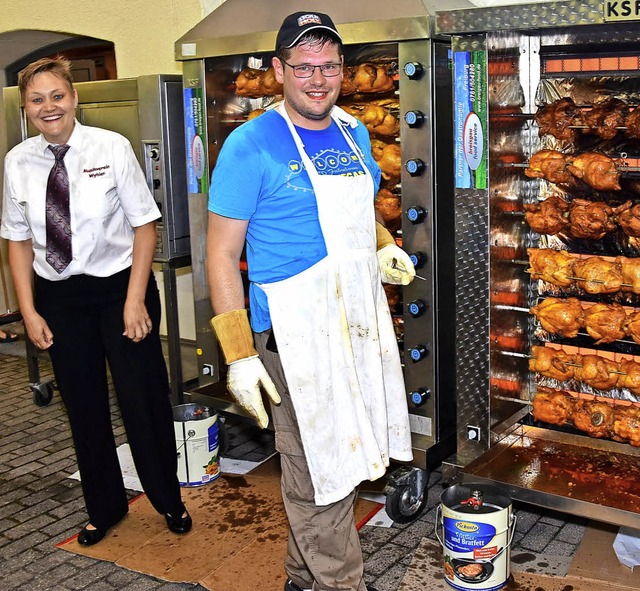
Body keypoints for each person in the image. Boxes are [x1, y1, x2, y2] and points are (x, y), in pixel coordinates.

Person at [207, 12, 415, 591]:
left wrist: (380, 245)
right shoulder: (249, 147)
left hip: (354, 322)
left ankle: (302, 576)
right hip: (293, 335)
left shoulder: (354, 132)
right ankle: (338, 583)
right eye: (303, 67)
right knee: (320, 467)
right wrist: (239, 355)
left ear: (343, 71)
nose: (316, 79)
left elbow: (360, 209)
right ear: (279, 71)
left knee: (344, 453)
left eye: (327, 66)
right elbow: (221, 256)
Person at [1, 57, 191, 546]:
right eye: (37, 99)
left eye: (57, 96)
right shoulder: (17, 161)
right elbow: (18, 241)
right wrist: (29, 310)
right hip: (59, 296)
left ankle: (168, 499)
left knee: (141, 399)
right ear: (26, 107)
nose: (49, 107)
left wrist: (134, 302)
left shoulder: (111, 147)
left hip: (120, 286)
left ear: (74, 97)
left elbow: (144, 226)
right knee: (83, 408)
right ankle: (104, 508)